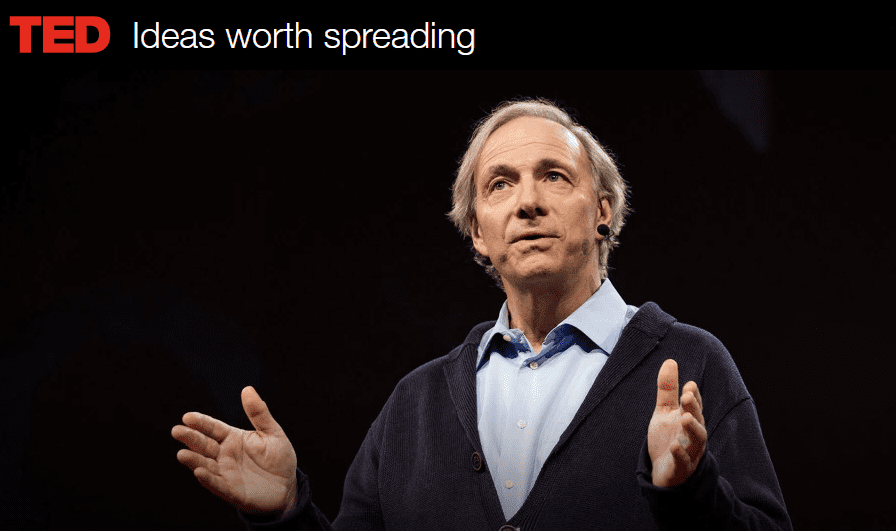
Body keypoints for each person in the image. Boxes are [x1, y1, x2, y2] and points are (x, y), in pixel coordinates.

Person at [172, 99, 792, 530]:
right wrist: (285, 514)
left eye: (554, 176)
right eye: (500, 184)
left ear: (603, 210)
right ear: (477, 231)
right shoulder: (415, 404)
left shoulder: (690, 365)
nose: (527, 203)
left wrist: (689, 492)